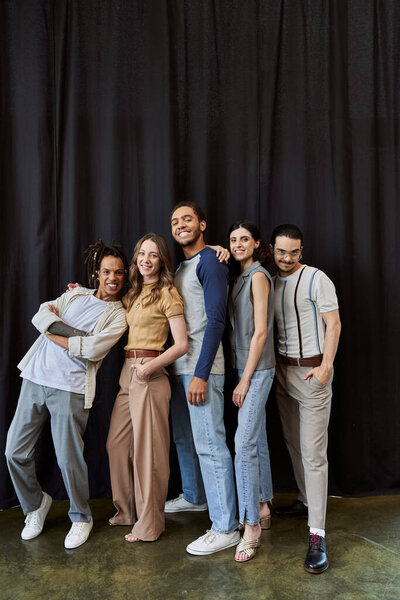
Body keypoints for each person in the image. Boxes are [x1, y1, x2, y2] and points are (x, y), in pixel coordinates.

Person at [5, 241, 128, 549]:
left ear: (125, 276)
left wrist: (55, 331)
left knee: (68, 460)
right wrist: (71, 333)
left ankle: (81, 517)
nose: (112, 278)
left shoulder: (118, 315)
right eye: (106, 271)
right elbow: (40, 316)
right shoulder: (76, 294)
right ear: (97, 273)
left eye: (119, 273)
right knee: (14, 452)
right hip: (35, 377)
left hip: (71, 389)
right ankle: (35, 505)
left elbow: (91, 350)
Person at [165, 201, 239, 556]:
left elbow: (216, 321)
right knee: (183, 438)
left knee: (210, 445)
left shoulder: (211, 261)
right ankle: (195, 497)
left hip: (202, 370)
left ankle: (226, 527)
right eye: (176, 221)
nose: (181, 225)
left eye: (188, 219)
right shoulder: (181, 266)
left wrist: (201, 374)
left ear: (202, 224)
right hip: (179, 368)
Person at [106, 233, 188, 543]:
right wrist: (81, 293)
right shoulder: (133, 294)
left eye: (153, 254)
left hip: (150, 374)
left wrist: (151, 368)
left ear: (162, 260)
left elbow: (181, 344)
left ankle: (150, 524)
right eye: (142, 253)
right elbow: (106, 306)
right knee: (117, 444)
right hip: (128, 374)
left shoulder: (168, 293)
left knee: (148, 454)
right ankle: (127, 511)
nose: (146, 259)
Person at [270, 224, 341, 574]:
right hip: (282, 371)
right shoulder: (269, 278)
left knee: (314, 454)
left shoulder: (316, 278)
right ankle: (305, 499)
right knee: (293, 444)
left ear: (302, 250)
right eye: (281, 251)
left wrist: (326, 366)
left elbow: (335, 324)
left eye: (293, 251)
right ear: (272, 249)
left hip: (312, 372)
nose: (286, 257)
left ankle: (317, 535)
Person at [228, 222, 275, 563]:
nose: (238, 244)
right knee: (255, 438)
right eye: (233, 240)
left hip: (257, 370)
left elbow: (260, 333)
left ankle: (251, 525)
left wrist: (244, 380)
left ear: (257, 243)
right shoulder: (241, 275)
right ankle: (263, 503)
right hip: (247, 367)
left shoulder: (258, 276)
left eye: (245, 239)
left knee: (243, 443)